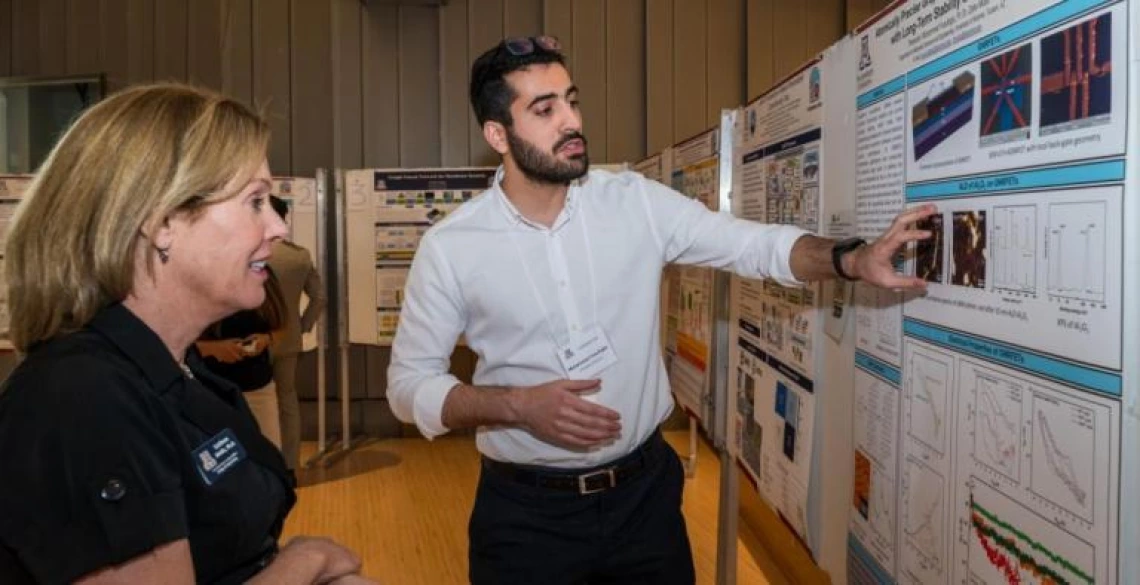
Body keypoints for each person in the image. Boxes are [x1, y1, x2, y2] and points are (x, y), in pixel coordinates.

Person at [387, 36, 934, 584]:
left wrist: (850, 259)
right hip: (527, 520)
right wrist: (516, 407)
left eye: (572, 100)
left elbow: (750, 245)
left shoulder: (633, 203)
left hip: (643, 504)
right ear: (496, 134)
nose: (571, 121)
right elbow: (408, 386)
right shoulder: (453, 246)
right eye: (545, 109)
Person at [0, 83, 375, 585]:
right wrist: (304, 563)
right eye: (255, 201)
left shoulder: (178, 370)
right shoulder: (82, 399)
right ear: (163, 223)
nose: (278, 228)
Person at [266, 195, 326, 470]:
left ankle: (261, 464)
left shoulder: (246, 252)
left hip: (243, 340)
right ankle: (290, 465)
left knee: (252, 401)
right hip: (288, 340)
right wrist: (301, 326)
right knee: (287, 402)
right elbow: (319, 297)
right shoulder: (298, 256)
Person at [196, 269, 288, 448]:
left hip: (258, 388)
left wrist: (266, 339)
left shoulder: (263, 276)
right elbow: (176, 340)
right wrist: (214, 349)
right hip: (212, 390)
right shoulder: (204, 279)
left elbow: (282, 326)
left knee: (270, 454)